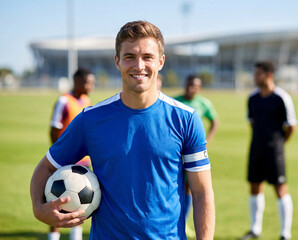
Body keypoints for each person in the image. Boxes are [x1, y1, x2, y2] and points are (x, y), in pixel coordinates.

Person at [30, 20, 215, 239]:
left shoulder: (186, 119)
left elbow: (202, 192)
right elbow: (45, 168)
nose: (139, 65)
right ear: (117, 61)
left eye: (148, 57)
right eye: (130, 57)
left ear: (161, 61)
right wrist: (38, 208)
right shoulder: (90, 119)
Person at [241, 61, 296, 240]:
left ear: (268, 75)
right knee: (255, 187)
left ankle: (285, 233)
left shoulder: (281, 97)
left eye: (258, 74)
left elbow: (291, 126)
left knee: (280, 188)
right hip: (256, 149)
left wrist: (279, 143)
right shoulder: (252, 98)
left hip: (275, 151)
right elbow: (252, 123)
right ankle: (255, 229)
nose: (254, 77)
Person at [48, 68, 95, 240]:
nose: (91, 86)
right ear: (77, 81)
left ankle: (76, 237)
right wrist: (60, 156)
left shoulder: (86, 100)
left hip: (83, 163)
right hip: (64, 162)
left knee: (81, 202)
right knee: (56, 201)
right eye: (88, 82)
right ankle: (53, 237)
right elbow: (54, 129)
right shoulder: (63, 101)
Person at [174, 74, 219, 235]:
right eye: (188, 84)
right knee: (178, 186)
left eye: (194, 85)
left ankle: (184, 222)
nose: (190, 88)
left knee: (194, 188)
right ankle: (179, 221)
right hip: (176, 152)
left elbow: (214, 121)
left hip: (193, 153)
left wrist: (207, 139)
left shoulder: (203, 103)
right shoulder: (175, 100)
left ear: (199, 88)